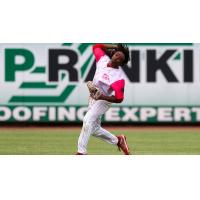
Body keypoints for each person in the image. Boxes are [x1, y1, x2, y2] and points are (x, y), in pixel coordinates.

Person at [76, 43, 131, 155]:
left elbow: (119, 98)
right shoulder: (102, 60)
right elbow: (96, 46)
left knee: (87, 120)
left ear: (121, 63)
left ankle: (81, 152)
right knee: (94, 128)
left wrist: (102, 97)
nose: (117, 58)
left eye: (120, 59)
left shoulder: (118, 78)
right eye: (117, 55)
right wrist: (116, 46)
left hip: (104, 101)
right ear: (113, 54)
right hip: (93, 97)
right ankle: (118, 140)